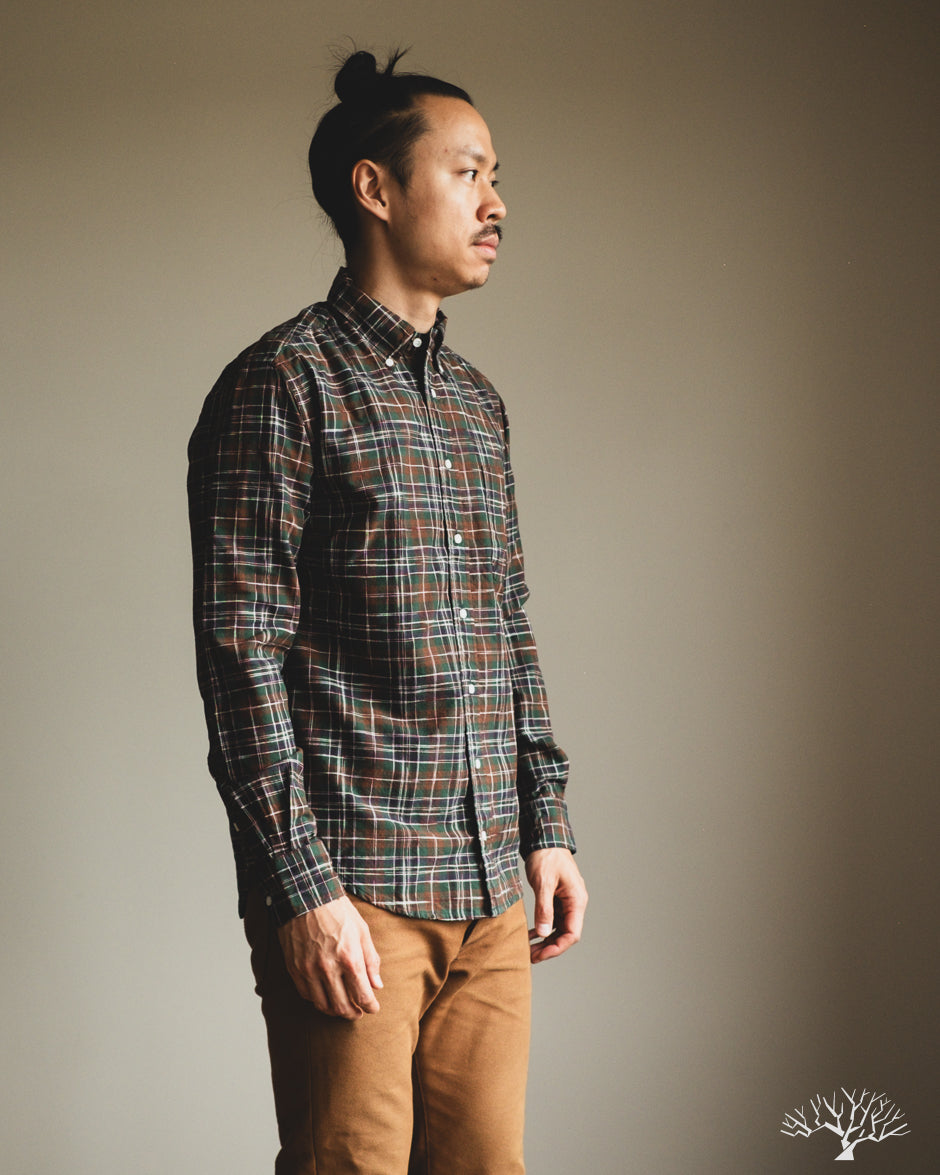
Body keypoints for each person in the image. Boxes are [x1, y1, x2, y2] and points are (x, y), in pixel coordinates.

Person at [187, 48, 587, 1175]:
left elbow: (508, 624)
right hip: (354, 888)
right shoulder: (283, 384)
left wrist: (546, 823)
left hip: (491, 885)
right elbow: (240, 655)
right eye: (468, 172)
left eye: (496, 176)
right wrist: (303, 893)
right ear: (375, 188)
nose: (495, 202)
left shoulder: (476, 405)